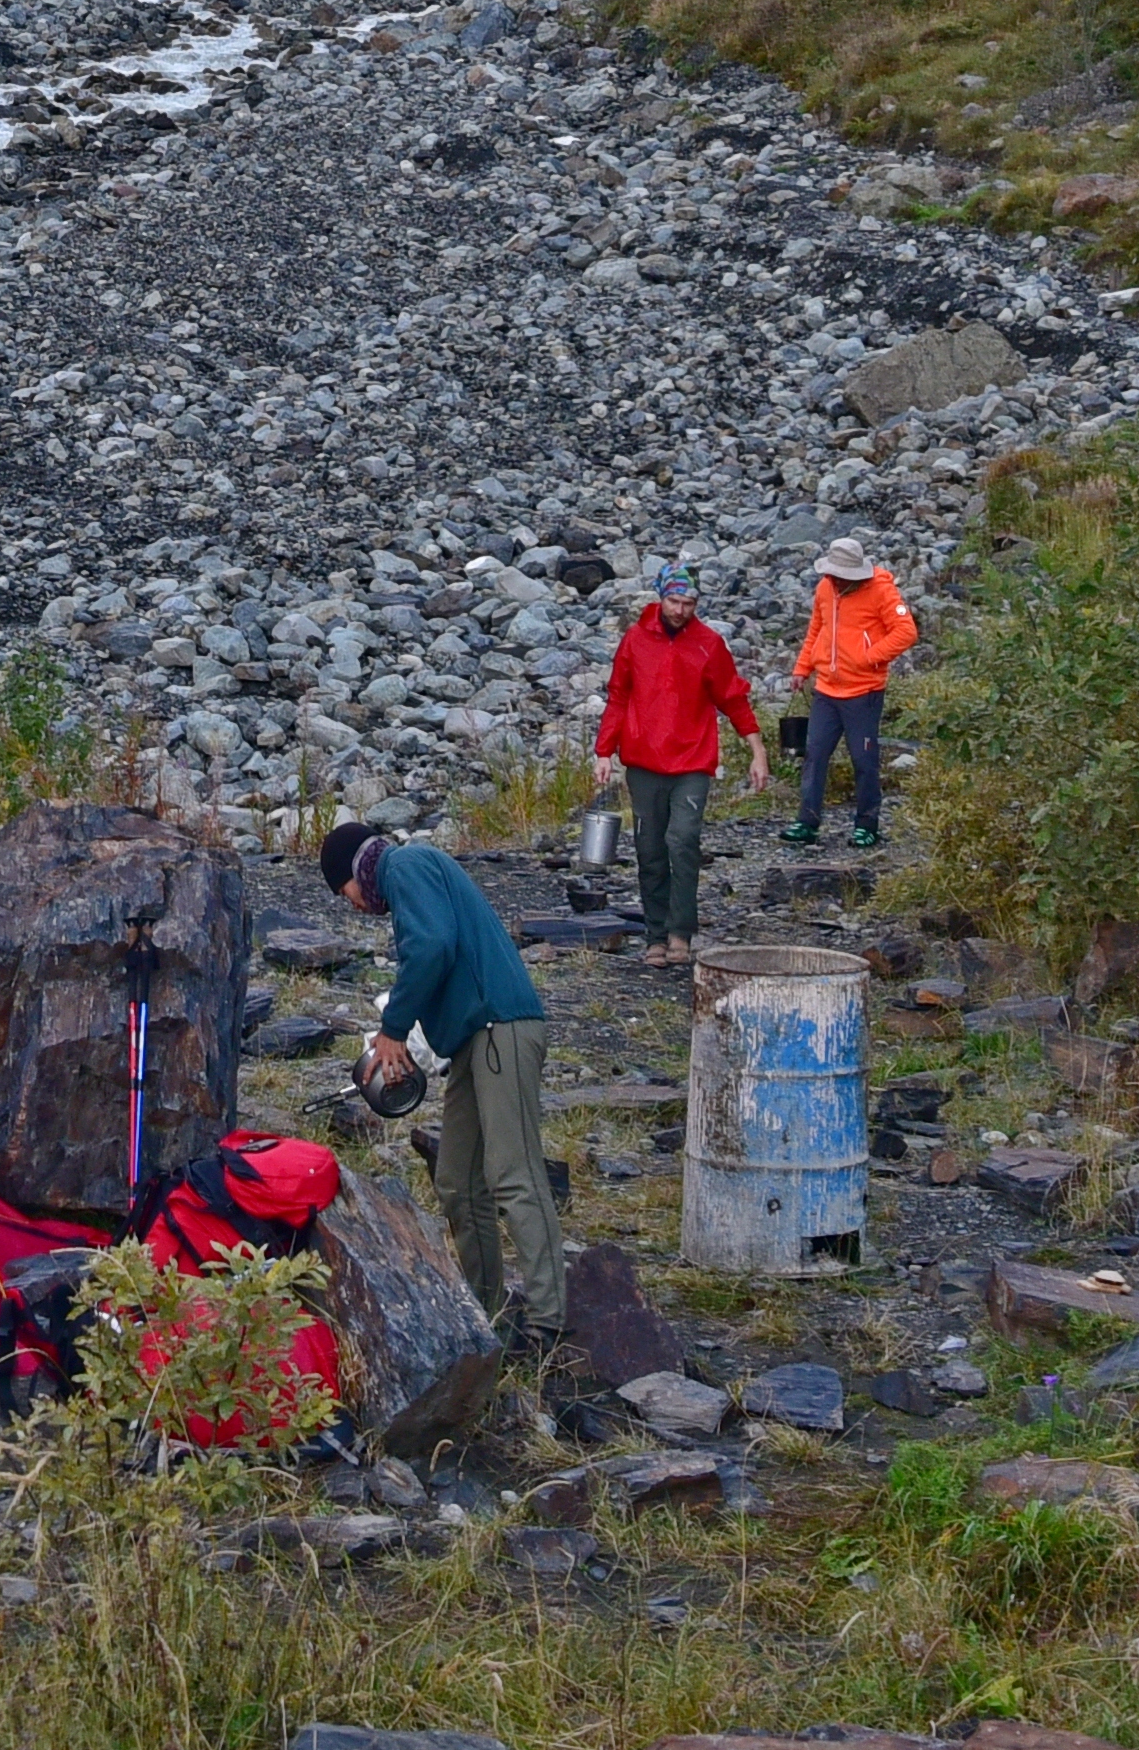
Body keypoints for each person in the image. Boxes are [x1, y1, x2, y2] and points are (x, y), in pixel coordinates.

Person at [320, 817, 561, 1360]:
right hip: (472, 1042)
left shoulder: (404, 865)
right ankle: (486, 1308)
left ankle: (549, 1323)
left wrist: (392, 1031)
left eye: (345, 894)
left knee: (513, 1172)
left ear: (356, 872)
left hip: (502, 1027)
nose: (354, 906)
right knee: (456, 1179)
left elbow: (432, 947)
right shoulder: (410, 879)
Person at [588, 560, 765, 955]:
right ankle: (655, 935)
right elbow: (618, 696)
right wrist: (604, 752)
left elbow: (732, 699)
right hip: (643, 762)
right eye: (674, 601)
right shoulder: (635, 640)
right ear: (660, 597)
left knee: (682, 840)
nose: (680, 610)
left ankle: (681, 931)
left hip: (692, 763)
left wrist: (758, 750)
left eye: (688, 603)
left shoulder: (708, 644)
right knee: (649, 849)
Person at [789, 536, 920, 849]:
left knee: (864, 759)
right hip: (826, 690)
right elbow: (816, 630)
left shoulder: (882, 591)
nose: (834, 579)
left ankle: (867, 824)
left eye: (839, 574)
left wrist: (870, 657)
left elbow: (906, 631)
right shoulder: (825, 589)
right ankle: (806, 821)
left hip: (864, 692)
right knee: (815, 754)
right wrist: (802, 668)